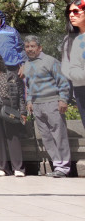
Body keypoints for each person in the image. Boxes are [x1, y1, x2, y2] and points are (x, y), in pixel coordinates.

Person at [23, 35, 71, 177]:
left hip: (52, 102)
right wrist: (29, 101)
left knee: (59, 135)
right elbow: (29, 86)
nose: (30, 49)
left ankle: (64, 168)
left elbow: (63, 81)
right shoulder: (26, 64)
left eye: (32, 46)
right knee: (47, 137)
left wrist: (63, 99)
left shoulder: (50, 61)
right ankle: (57, 166)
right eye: (27, 47)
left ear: (40, 48)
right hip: (37, 105)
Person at [60, 0, 85, 129]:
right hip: (80, 90)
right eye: (69, 12)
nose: (71, 15)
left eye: (75, 11)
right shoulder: (68, 39)